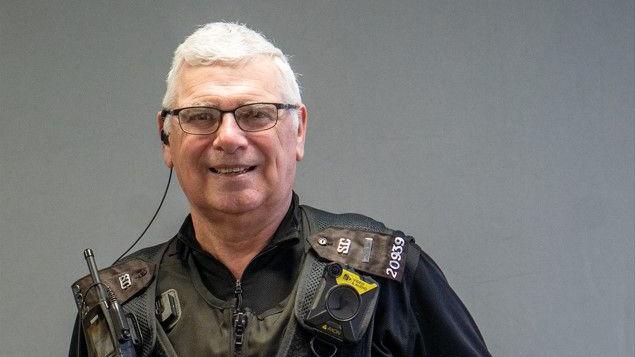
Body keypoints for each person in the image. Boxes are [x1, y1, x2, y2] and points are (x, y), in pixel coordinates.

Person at [69, 22, 492, 357]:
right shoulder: (116, 310)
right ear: (166, 137)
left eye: (256, 114)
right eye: (200, 116)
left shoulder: (385, 277)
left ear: (299, 130)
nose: (229, 138)